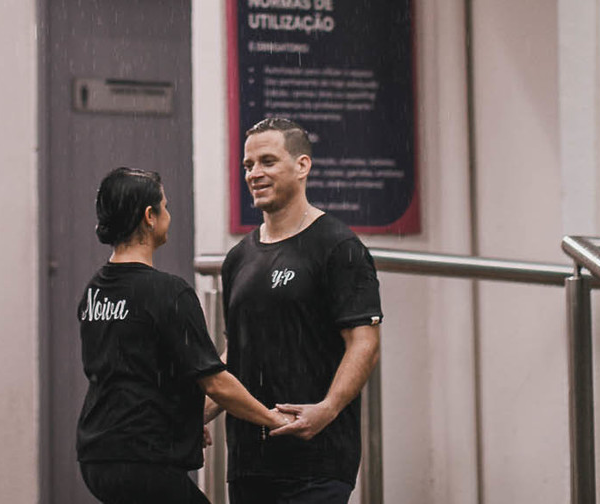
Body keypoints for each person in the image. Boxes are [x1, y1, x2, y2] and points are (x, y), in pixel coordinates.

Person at [78, 166, 299, 504]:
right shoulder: (169, 293)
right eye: (164, 207)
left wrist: (181, 423)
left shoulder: (95, 291)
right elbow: (215, 382)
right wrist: (272, 419)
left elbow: (130, 373)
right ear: (149, 216)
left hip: (97, 456)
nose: (169, 214)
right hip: (143, 460)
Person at [220, 116, 382, 504]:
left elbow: (365, 344)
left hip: (317, 461)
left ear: (302, 166)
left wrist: (326, 409)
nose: (254, 173)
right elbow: (235, 356)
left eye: (268, 162)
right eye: (248, 165)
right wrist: (200, 411)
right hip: (248, 462)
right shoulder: (237, 259)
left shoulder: (339, 247)